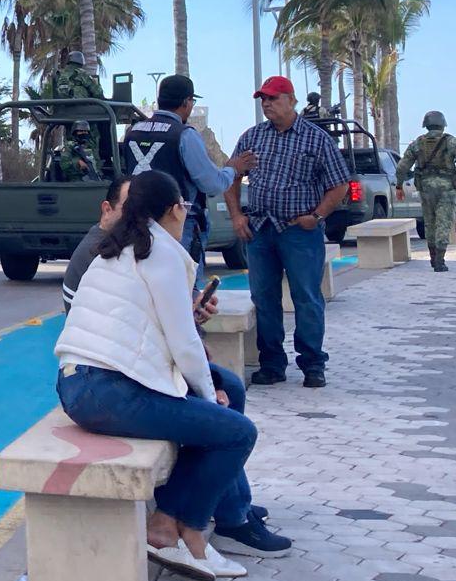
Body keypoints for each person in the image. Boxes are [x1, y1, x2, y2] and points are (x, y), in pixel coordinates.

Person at [62, 176, 292, 561]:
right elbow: (184, 345)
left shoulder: (120, 247)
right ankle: (181, 524)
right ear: (175, 210)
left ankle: (216, 513)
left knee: (229, 389)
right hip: (108, 389)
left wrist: (208, 388)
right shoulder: (161, 253)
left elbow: (157, 329)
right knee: (236, 432)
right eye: (184, 205)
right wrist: (205, 394)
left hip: (84, 383)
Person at [225, 76, 353, 389]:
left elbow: (339, 184)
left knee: (306, 297)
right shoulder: (252, 137)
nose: (266, 104)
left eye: (272, 98)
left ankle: (312, 364)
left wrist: (317, 216)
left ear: (290, 100)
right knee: (264, 298)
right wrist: (237, 217)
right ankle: (271, 364)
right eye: (262, 99)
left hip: (300, 231)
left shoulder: (316, 139)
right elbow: (229, 176)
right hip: (261, 231)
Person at [122, 75, 259, 269]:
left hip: (139, 222)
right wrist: (233, 169)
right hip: (177, 224)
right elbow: (211, 184)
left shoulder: (133, 131)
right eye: (192, 101)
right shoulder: (184, 135)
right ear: (186, 102)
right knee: (184, 288)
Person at [395, 110, 456, 273]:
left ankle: (432, 256)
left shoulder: (417, 143)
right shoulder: (451, 142)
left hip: (425, 187)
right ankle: (440, 261)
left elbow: (402, 167)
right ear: (442, 124)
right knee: (443, 222)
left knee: (429, 222)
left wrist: (399, 186)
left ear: (426, 125)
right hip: (447, 188)